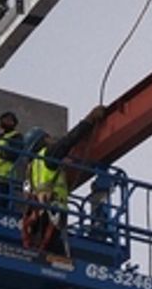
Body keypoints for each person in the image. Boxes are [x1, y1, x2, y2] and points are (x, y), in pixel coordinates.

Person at [21, 106, 105, 252]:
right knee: (55, 250)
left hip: (40, 214)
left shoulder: (32, 167)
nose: (51, 139)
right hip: (53, 210)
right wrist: (89, 119)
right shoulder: (48, 155)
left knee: (46, 248)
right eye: (47, 137)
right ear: (41, 141)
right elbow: (68, 141)